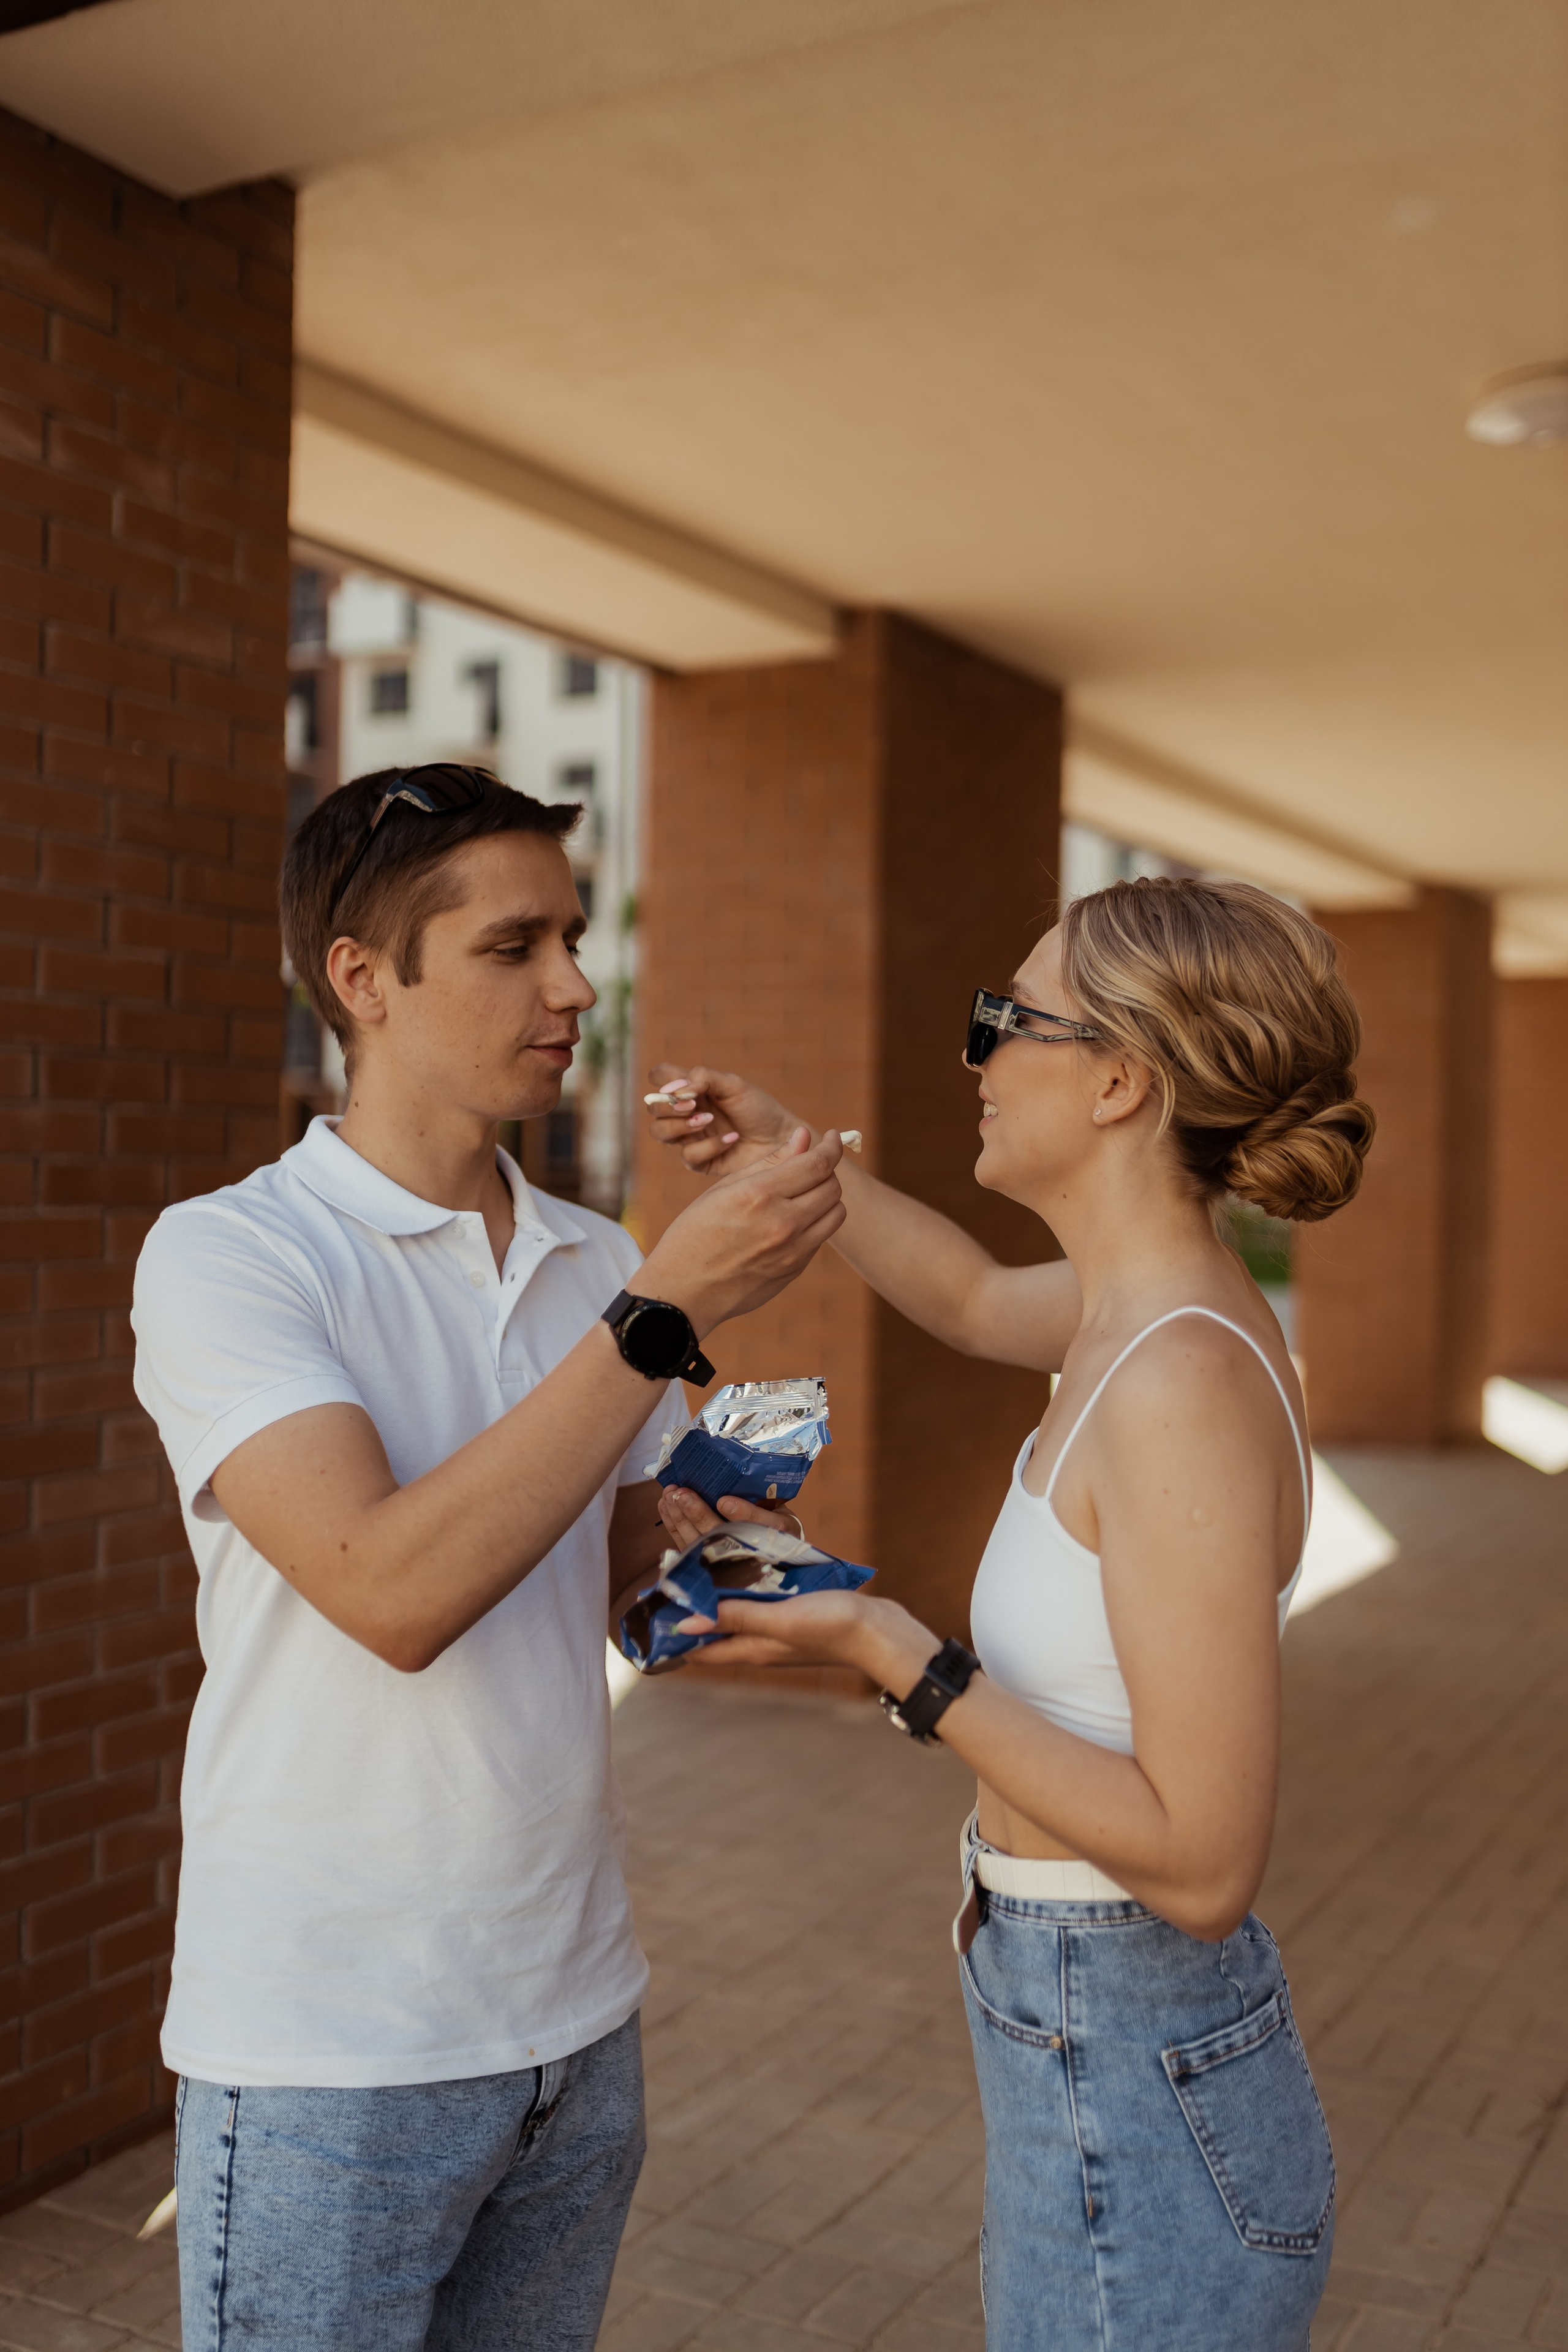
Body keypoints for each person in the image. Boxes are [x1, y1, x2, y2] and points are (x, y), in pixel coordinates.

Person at [130, 763, 841, 2352]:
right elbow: (394, 1593)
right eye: (516, 947)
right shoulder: (231, 1254)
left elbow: (608, 1604)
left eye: (574, 939)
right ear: (363, 981)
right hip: (330, 2054)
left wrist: (732, 1515)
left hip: (578, 2026)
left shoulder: (596, 1257)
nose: (578, 986)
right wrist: (662, 1312)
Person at [646, 876, 1374, 2352]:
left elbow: (1202, 1860)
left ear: (1119, 1079)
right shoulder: (1138, 1311)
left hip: (1131, 2028)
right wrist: (794, 1152)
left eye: (1004, 1021)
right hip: (1093, 2022)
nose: (973, 1056)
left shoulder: (1177, 1381)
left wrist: (886, 1648)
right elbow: (973, 1297)